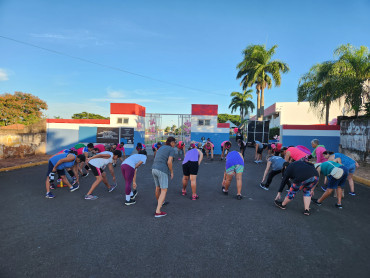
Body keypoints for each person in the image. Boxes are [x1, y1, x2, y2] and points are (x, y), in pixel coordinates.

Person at [152, 137, 176, 217]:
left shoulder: (161, 147)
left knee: (157, 188)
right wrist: (171, 172)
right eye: (174, 143)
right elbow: (169, 162)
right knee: (164, 190)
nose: (175, 145)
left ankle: (160, 203)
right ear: (172, 142)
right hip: (162, 170)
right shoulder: (171, 149)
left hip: (154, 168)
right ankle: (158, 211)